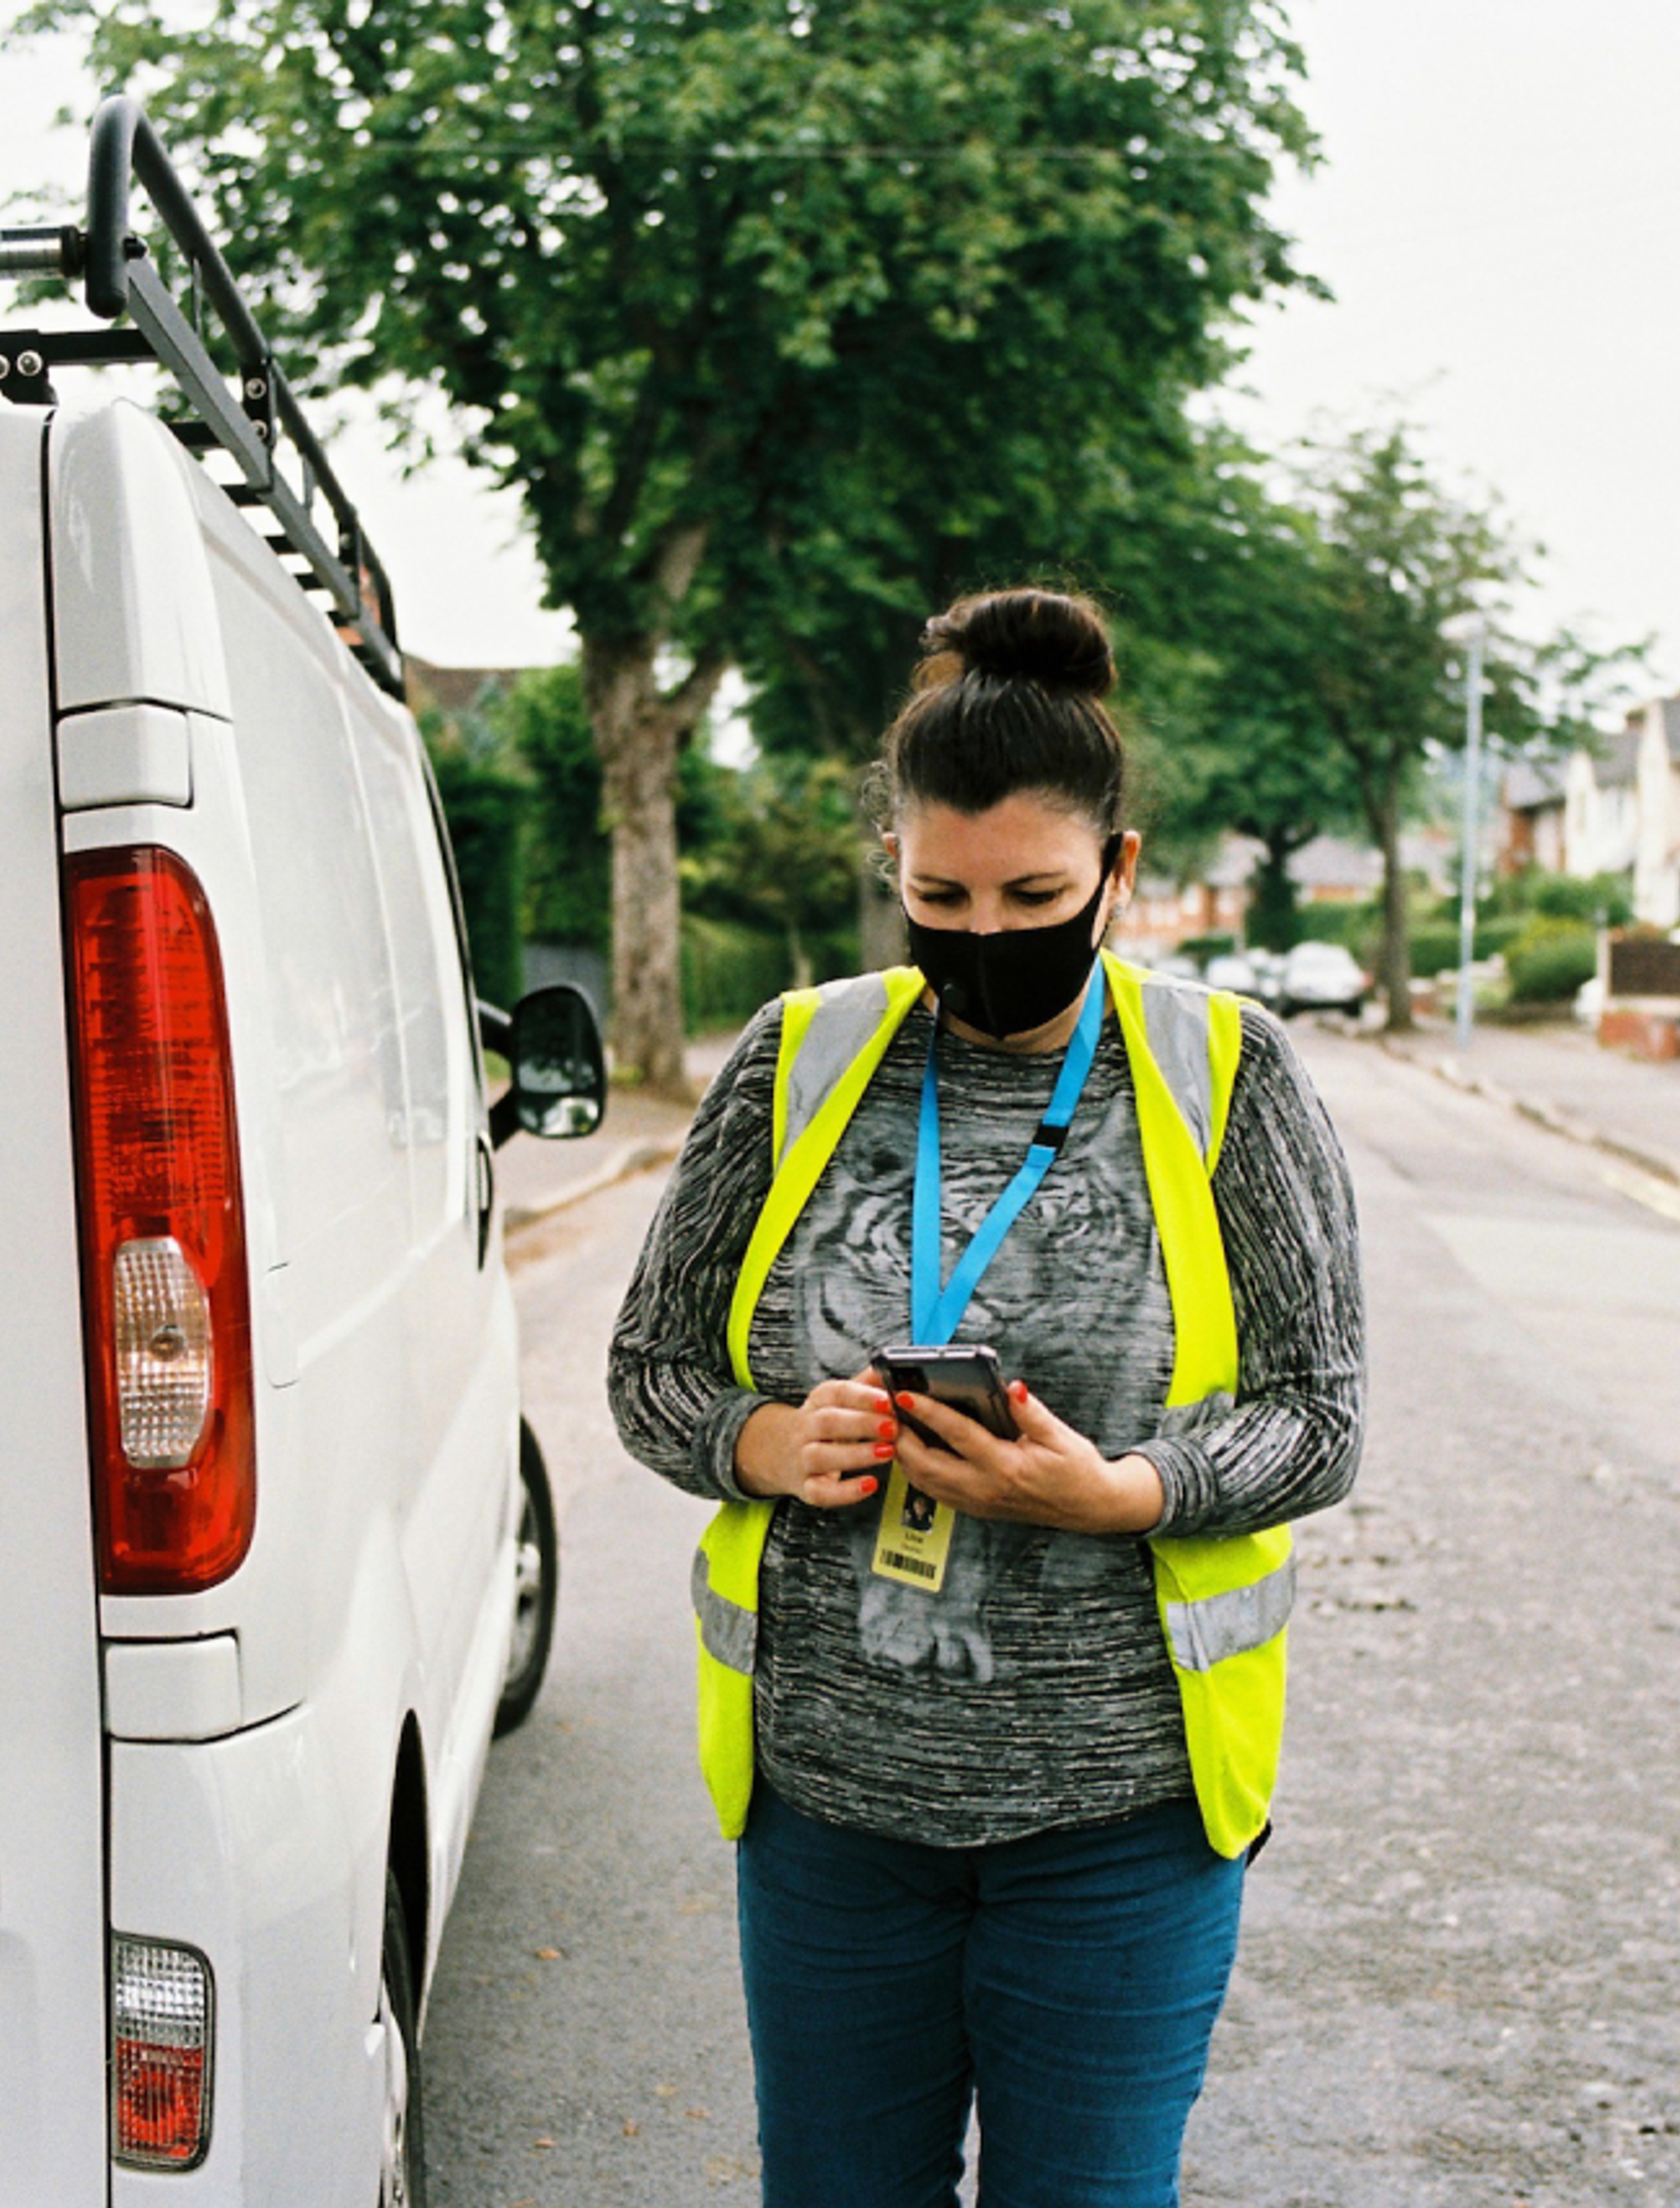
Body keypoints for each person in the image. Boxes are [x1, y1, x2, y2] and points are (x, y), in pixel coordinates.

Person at [607, 585, 1367, 2207]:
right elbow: (649, 1366)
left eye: (1034, 891)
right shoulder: (798, 1057)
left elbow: (1319, 1410)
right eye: (936, 893)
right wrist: (761, 1439)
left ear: (1121, 873)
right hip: (830, 1822)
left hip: (1120, 1830)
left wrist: (1123, 1494)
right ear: (891, 869)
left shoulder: (1229, 1073)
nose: (983, 933)